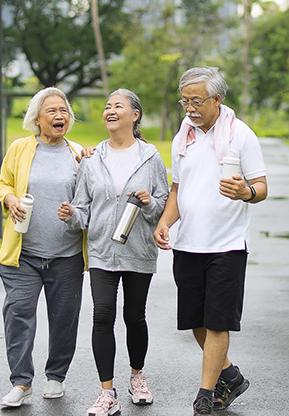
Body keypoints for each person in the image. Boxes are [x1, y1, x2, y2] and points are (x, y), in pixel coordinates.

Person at [153, 67, 268, 416]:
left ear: (217, 99)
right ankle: (230, 374)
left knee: (218, 322)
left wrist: (245, 191)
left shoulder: (241, 135)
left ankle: (206, 392)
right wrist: (164, 221)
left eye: (197, 101)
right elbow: (178, 189)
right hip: (188, 245)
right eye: (184, 101)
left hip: (227, 245)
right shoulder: (182, 137)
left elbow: (261, 187)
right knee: (196, 321)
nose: (189, 107)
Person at [57, 89, 169, 416]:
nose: (110, 110)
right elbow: (83, 209)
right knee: (102, 314)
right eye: (107, 106)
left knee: (134, 316)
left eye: (118, 106)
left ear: (135, 115)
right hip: (102, 252)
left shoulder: (151, 157)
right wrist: (71, 216)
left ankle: (137, 376)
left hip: (139, 251)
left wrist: (150, 203)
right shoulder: (92, 160)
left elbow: (163, 205)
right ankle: (108, 393)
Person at [0, 87, 85, 408]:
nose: (59, 116)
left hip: (67, 255)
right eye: (52, 111)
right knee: (18, 314)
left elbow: (88, 200)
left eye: (63, 111)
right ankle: (21, 382)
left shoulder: (78, 154)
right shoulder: (20, 148)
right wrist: (11, 198)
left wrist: (74, 213)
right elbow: (2, 182)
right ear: (36, 119)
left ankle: (56, 376)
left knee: (64, 318)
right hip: (24, 255)